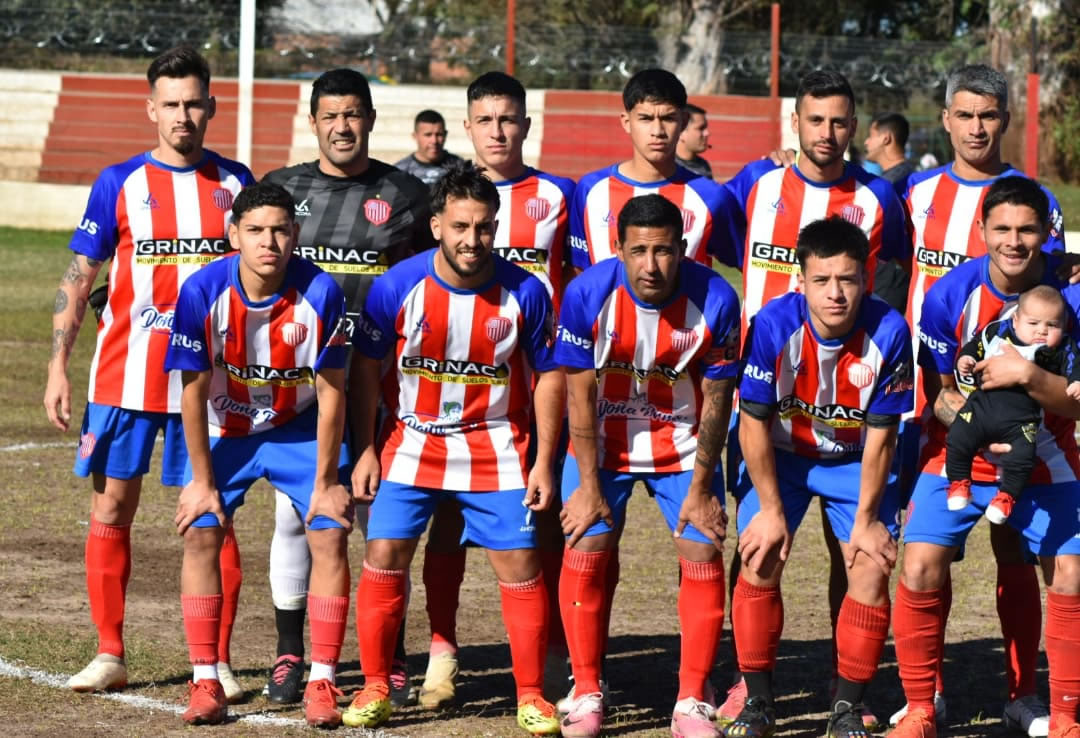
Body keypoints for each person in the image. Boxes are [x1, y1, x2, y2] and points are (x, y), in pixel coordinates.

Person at [42, 45, 253, 699]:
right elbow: (80, 281)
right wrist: (57, 367)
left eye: (194, 102)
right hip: (124, 377)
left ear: (212, 106)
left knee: (212, 517)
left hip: (210, 385)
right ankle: (110, 652)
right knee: (111, 509)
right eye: (171, 104)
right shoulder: (119, 183)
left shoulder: (238, 182)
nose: (183, 115)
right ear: (150, 109)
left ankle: (214, 662)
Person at [342, 161, 564, 736]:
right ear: (437, 224)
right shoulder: (398, 285)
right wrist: (365, 449)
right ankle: (374, 686)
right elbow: (366, 372)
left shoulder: (526, 292)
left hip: (496, 446)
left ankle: (532, 695)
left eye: (484, 227)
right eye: (461, 226)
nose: (473, 240)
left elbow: (550, 379)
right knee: (384, 553)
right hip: (412, 441)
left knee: (519, 563)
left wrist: (542, 460)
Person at [719, 69, 907, 729]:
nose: (827, 133)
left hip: (852, 441)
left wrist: (869, 517)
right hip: (776, 430)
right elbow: (715, 238)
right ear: (794, 123)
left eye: (839, 120)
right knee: (759, 544)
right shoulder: (755, 186)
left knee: (861, 555)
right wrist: (768, 509)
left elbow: (884, 435)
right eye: (815, 119)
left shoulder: (882, 203)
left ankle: (848, 696)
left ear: (854, 126)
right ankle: (756, 696)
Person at [891, 64, 1067, 734]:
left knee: (1015, 550)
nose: (975, 127)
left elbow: (1053, 286)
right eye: (963, 115)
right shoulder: (913, 190)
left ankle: (1022, 692)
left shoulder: (1033, 199)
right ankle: (923, 693)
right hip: (928, 402)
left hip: (1020, 418)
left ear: (1004, 120)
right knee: (915, 550)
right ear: (945, 119)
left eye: (988, 115)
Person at [260, 66, 433, 707]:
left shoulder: (408, 195)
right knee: (297, 517)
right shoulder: (280, 189)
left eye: (353, 113)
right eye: (329, 115)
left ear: (370, 119)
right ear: (313, 121)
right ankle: (289, 653)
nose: (342, 126)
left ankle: (386, 659)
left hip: (385, 384)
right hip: (302, 388)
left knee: (383, 525)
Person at [416, 70, 577, 712]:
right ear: (468, 127)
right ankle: (441, 653)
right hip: (455, 399)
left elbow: (587, 286)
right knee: (447, 527)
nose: (498, 131)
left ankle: (555, 653)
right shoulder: (441, 198)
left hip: (537, 391)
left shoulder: (561, 196)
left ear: (526, 125)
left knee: (546, 524)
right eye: (485, 120)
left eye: (508, 119)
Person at [164, 182, 352, 727]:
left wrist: (324, 482)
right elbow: (193, 391)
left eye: (279, 229)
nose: (269, 241)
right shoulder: (202, 290)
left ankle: (322, 680)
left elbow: (334, 389)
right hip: (227, 428)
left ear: (294, 233)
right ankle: (205, 682)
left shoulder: (321, 291)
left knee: (329, 529)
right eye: (255, 230)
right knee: (200, 527)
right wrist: (201, 481)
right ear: (234, 236)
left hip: (297, 426)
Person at [556, 194, 741, 738]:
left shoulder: (718, 299)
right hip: (604, 446)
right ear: (619, 249)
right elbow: (578, 396)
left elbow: (717, 398)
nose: (651, 264)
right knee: (586, 540)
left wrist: (703, 487)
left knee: (701, 544)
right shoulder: (586, 294)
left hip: (682, 448)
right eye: (638, 251)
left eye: (663, 251)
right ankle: (586, 689)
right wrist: (588, 486)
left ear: (682, 249)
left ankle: (692, 698)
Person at [569, 68, 740, 270]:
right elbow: (577, 272)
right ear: (626, 122)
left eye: (668, 118)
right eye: (646, 119)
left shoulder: (711, 197)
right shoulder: (591, 190)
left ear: (683, 122)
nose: (657, 131)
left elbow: (753, 267)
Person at [945, 286, 1080, 522]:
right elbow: (975, 346)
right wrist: (966, 358)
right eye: (1034, 323)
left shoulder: (1061, 349)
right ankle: (958, 482)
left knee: (1024, 456)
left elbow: (1073, 365)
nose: (1042, 331)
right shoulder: (997, 332)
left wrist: (1076, 381)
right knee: (958, 436)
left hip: (1021, 422)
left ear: (1064, 326)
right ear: (1015, 320)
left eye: (1052, 325)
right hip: (980, 410)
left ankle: (1006, 497)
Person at [863, 112, 915, 312]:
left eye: (871, 135)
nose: (866, 142)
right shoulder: (894, 178)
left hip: (891, 283)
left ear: (886, 138)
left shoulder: (898, 184)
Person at [395, 109, 464, 187]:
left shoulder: (460, 167)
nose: (434, 141)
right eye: (428, 135)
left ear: (445, 135)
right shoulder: (400, 170)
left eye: (439, 134)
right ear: (415, 136)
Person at [676, 103, 713, 179]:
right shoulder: (665, 168)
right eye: (701, 128)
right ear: (681, 131)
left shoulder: (703, 166)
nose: (707, 133)